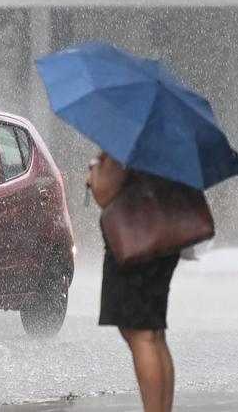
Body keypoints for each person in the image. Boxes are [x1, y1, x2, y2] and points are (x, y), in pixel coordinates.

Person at [86, 151, 180, 412]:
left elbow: (103, 193)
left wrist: (96, 163)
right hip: (161, 234)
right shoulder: (165, 127)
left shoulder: (131, 130)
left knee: (142, 336)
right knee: (153, 334)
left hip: (135, 241)